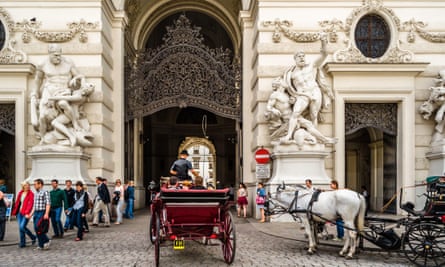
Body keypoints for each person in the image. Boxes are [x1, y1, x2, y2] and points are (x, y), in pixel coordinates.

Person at [281, 33, 333, 142]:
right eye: (299, 56)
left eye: (303, 56)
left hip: (314, 91)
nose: (302, 57)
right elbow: (290, 88)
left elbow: (324, 54)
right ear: (295, 59)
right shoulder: (291, 74)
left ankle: (313, 137)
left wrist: (323, 42)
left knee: (314, 115)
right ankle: (289, 135)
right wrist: (293, 96)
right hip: (302, 95)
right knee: (295, 113)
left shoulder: (312, 66)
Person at [30, 43, 86, 146]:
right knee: (42, 116)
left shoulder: (68, 62)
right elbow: (38, 80)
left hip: (63, 90)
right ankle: (43, 139)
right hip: (49, 90)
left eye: (59, 54)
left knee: (63, 103)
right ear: (49, 54)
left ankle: (74, 123)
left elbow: (79, 75)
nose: (58, 57)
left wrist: (76, 78)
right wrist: (35, 93)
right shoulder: (42, 64)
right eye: (55, 55)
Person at [11, 181, 36, 247]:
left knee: (22, 227)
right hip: (19, 213)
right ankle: (23, 243)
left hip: (25, 213)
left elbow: (30, 204)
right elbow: (17, 203)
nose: (27, 186)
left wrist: (27, 213)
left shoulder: (31, 194)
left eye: (28, 185)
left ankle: (33, 237)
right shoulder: (20, 193)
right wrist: (15, 211)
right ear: (23, 186)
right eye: (26, 185)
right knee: (21, 228)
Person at [31, 178, 51, 250]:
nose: (34, 186)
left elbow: (48, 204)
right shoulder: (36, 193)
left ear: (40, 184)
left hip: (42, 212)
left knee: (38, 227)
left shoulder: (45, 192)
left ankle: (46, 240)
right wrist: (31, 214)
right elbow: (34, 205)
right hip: (36, 212)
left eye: (35, 184)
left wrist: (46, 213)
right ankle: (40, 245)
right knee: (36, 229)